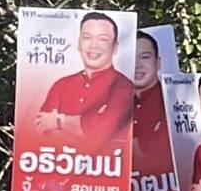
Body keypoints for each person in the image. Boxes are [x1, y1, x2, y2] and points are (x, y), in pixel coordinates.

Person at [34, 12, 135, 145]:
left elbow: (100, 132)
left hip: (105, 164)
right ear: (79, 43)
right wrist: (83, 127)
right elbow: (41, 130)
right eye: (87, 37)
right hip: (59, 163)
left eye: (103, 39)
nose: (94, 45)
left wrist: (59, 121)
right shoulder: (61, 85)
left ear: (115, 47)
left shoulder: (123, 87)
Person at [131, 31, 176, 191]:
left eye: (145, 57)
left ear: (158, 63)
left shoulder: (176, 100)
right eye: (131, 59)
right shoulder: (111, 105)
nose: (137, 65)